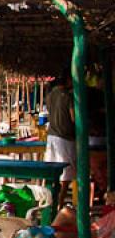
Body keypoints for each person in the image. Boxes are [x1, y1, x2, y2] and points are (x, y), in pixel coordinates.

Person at [44, 72, 76, 205]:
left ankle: (49, 201)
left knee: (51, 171)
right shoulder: (68, 97)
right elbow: (74, 118)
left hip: (51, 137)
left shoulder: (50, 95)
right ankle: (60, 202)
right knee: (66, 174)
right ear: (68, 80)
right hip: (65, 138)